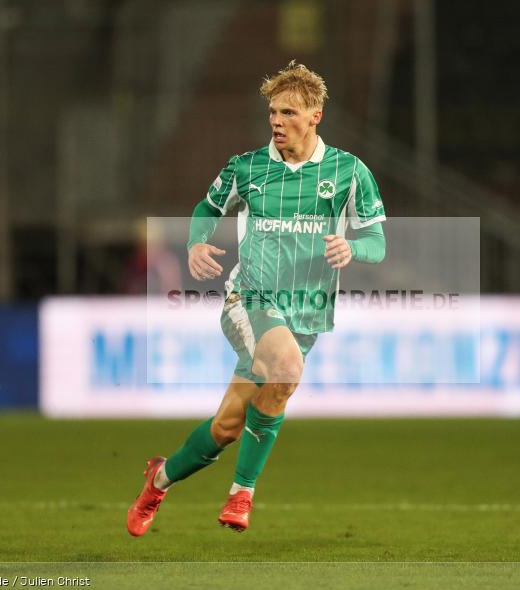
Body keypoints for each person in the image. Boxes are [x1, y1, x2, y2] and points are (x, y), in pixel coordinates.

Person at [127, 61, 386, 535]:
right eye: (272, 112)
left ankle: (158, 480)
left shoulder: (349, 172)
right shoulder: (246, 168)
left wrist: (353, 247)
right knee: (285, 369)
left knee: (227, 426)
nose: (277, 121)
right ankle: (241, 495)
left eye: (288, 112)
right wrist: (196, 242)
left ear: (315, 116)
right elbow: (208, 206)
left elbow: (377, 241)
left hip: (307, 313)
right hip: (249, 299)